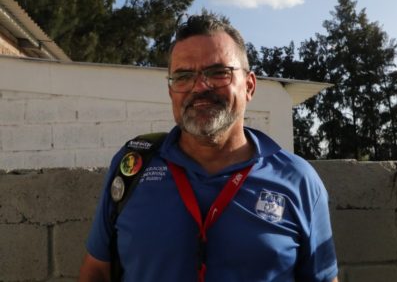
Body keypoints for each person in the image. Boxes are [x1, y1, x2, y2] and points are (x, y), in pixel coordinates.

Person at [79, 14, 339, 282]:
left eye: (218, 73)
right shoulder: (133, 167)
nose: (199, 87)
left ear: (249, 86)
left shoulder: (298, 180)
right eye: (183, 76)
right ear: (171, 92)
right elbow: (97, 271)